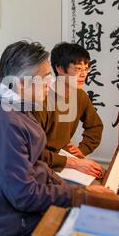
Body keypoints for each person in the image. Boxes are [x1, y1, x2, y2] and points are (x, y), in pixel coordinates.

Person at [0, 41, 113, 236]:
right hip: (15, 223)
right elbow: (23, 195)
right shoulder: (4, 121)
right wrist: (81, 195)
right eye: (45, 78)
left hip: (28, 203)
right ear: (21, 84)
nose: (50, 83)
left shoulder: (21, 108)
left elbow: (38, 166)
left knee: (101, 210)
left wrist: (72, 189)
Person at [32, 42, 104, 178]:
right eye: (78, 69)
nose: (84, 75)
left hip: (65, 158)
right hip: (42, 164)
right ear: (59, 69)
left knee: (102, 175)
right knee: (97, 189)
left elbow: (95, 126)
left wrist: (82, 150)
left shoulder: (80, 95)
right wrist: (74, 162)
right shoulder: (41, 98)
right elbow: (33, 151)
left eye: (86, 69)